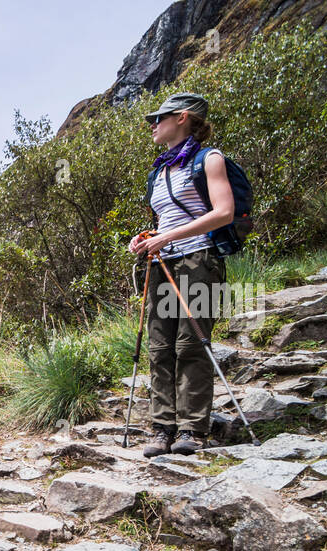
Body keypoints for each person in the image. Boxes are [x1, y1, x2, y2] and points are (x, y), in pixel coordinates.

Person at [127, 92, 235, 457]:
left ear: (183, 117)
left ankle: (192, 429)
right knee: (159, 347)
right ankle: (162, 429)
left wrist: (169, 236)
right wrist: (146, 238)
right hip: (162, 265)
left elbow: (224, 212)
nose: (153, 124)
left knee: (191, 344)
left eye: (159, 118)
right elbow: (165, 220)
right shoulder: (159, 171)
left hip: (200, 260)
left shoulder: (209, 159)